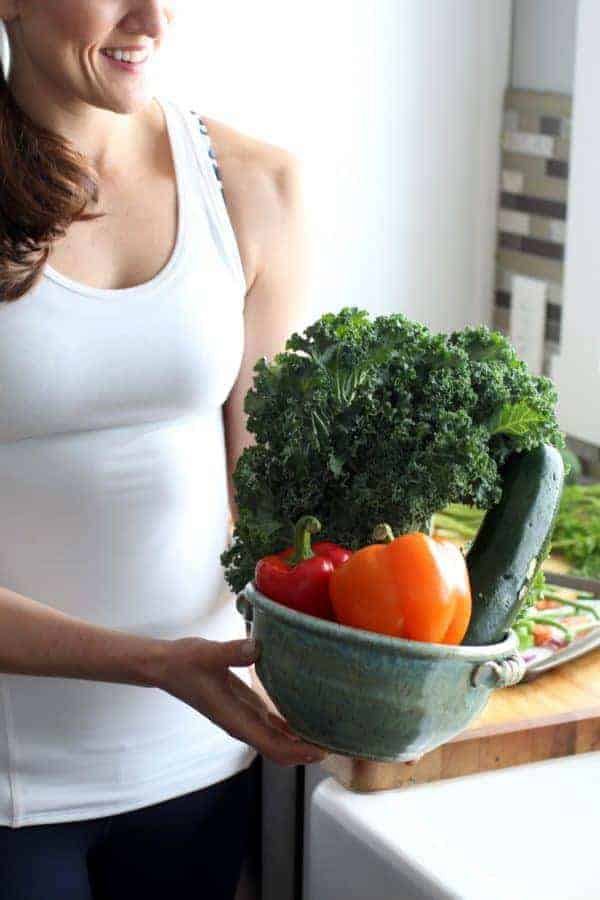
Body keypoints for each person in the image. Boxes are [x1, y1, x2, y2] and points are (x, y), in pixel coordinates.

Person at [0, 2, 327, 897]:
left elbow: (267, 502)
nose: (149, 16)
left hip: (205, 765)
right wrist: (154, 664)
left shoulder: (255, 184)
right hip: (14, 796)